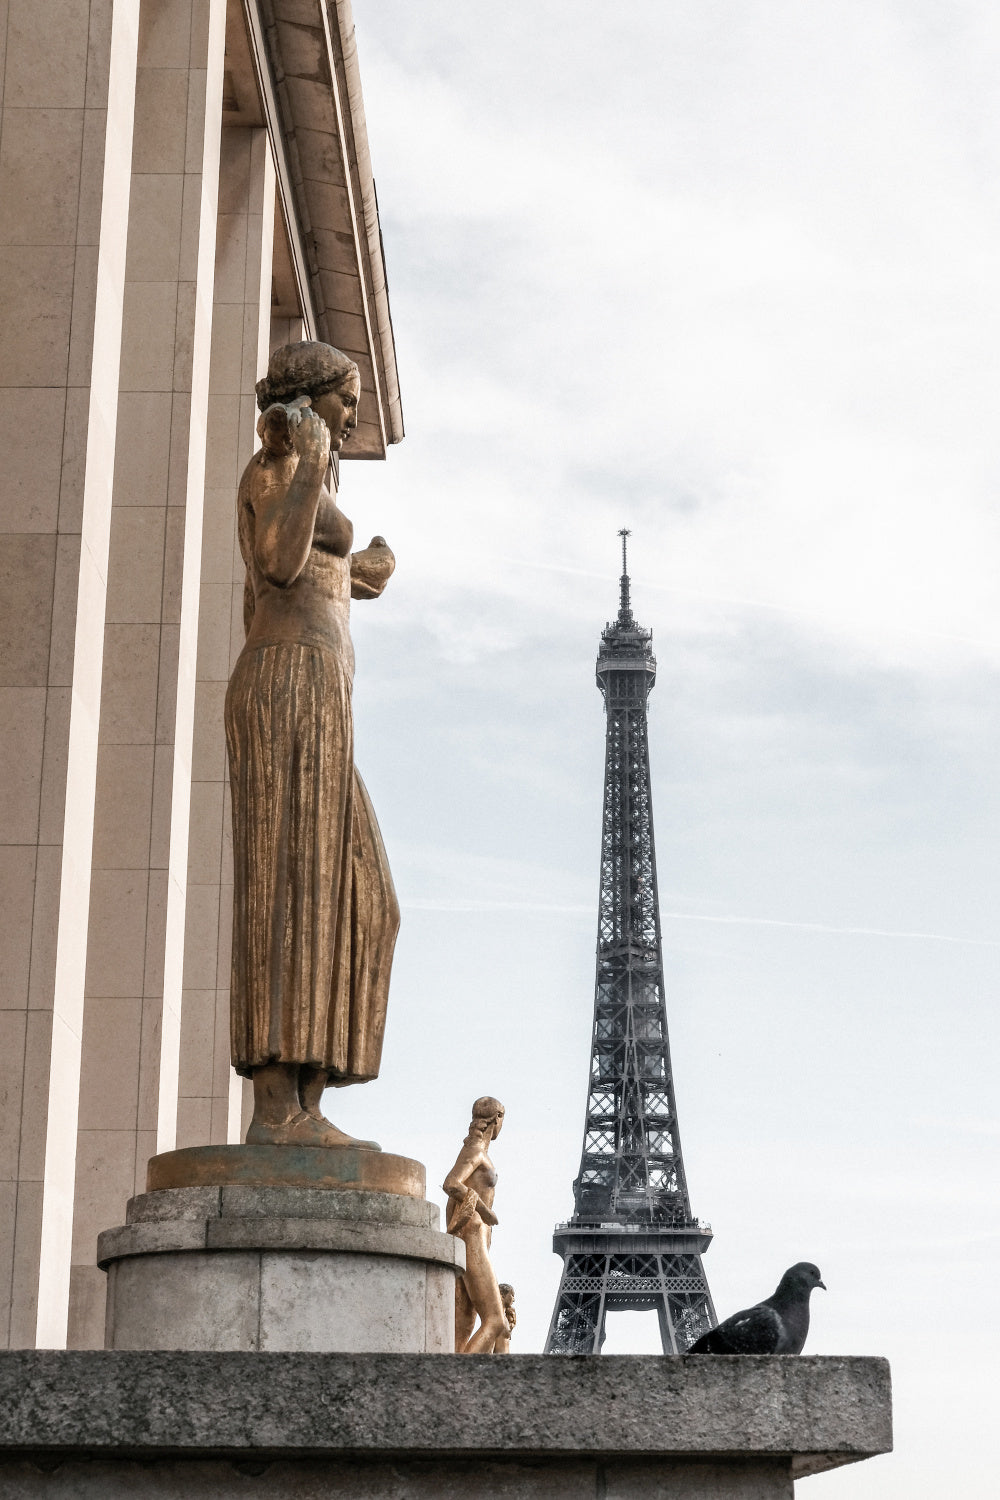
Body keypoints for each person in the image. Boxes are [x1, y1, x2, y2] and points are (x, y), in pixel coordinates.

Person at [225, 340, 399, 1148]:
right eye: (345, 398)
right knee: (291, 886)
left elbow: (316, 572)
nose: (352, 415)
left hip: (323, 689)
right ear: (310, 396)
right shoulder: (276, 466)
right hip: (286, 680)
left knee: (363, 899)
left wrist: (363, 570)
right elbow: (278, 561)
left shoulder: (307, 475)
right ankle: (278, 1110)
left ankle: (308, 1097)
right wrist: (307, 464)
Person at [443, 1097, 508, 1353]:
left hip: (471, 1234)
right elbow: (451, 1184)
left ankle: (454, 1368)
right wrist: (485, 1211)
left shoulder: (476, 1150)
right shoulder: (476, 1151)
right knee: (496, 1321)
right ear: (497, 1118)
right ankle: (462, 1373)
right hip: (473, 1234)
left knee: (464, 1323)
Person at [494, 1283, 516, 1353]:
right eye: (512, 1295)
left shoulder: (504, 1318)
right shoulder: (497, 1317)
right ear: (503, 1294)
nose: (514, 1300)